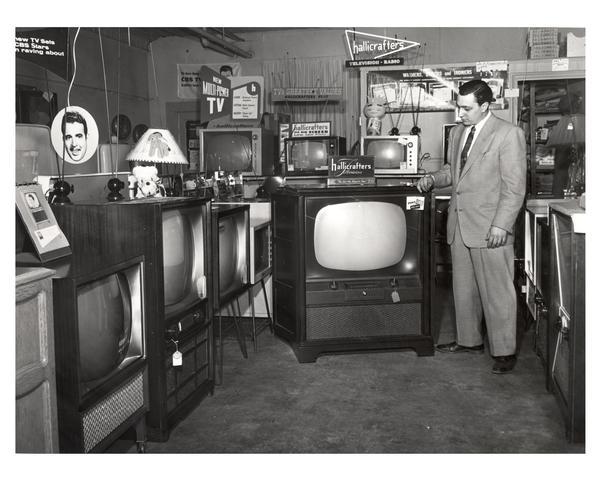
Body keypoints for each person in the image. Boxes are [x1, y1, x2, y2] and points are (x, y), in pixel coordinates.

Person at [417, 79, 526, 374]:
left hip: (491, 227)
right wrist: (432, 179)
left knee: (497, 292)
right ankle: (469, 341)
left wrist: (502, 225)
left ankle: (505, 351)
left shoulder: (508, 134)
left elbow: (515, 187)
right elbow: (454, 171)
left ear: (485, 106)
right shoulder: (457, 133)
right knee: (463, 290)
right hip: (460, 224)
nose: (460, 114)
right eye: (458, 107)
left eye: (466, 108)